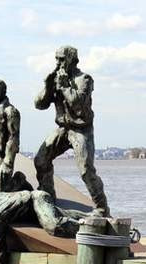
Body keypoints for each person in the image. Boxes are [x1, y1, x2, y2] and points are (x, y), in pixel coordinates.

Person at [33, 46, 109, 216]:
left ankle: (102, 208)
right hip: (63, 128)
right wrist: (47, 86)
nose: (58, 63)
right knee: (41, 160)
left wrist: (64, 86)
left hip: (81, 129)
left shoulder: (84, 79)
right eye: (56, 59)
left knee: (86, 170)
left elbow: (79, 106)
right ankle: (48, 196)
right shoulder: (56, 79)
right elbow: (39, 105)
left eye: (61, 59)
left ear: (72, 60)